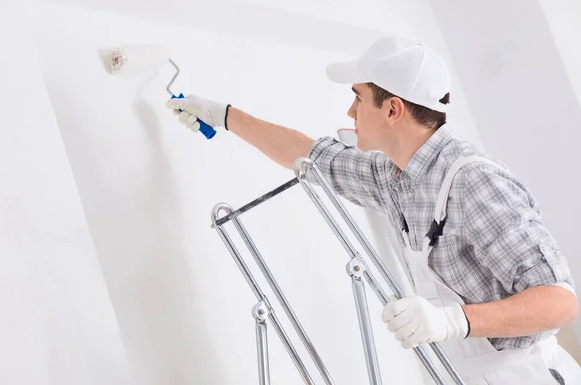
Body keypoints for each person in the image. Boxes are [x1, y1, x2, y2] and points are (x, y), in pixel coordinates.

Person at [166, 35, 581, 384]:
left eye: (357, 99)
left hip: (528, 375)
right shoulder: (393, 176)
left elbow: (559, 301)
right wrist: (222, 115)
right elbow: (307, 155)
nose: (350, 112)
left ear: (393, 109)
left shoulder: (472, 180)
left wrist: (452, 321)